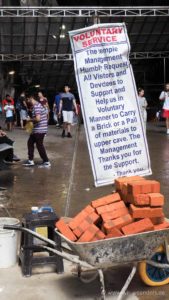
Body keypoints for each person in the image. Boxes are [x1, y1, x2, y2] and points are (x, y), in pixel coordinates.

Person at [23, 94, 51, 167]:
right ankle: (31, 160)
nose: (27, 101)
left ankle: (46, 161)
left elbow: (38, 119)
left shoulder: (36, 106)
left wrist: (29, 120)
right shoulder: (37, 105)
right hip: (37, 129)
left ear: (31, 98)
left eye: (27, 99)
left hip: (40, 129)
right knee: (30, 142)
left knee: (39, 145)